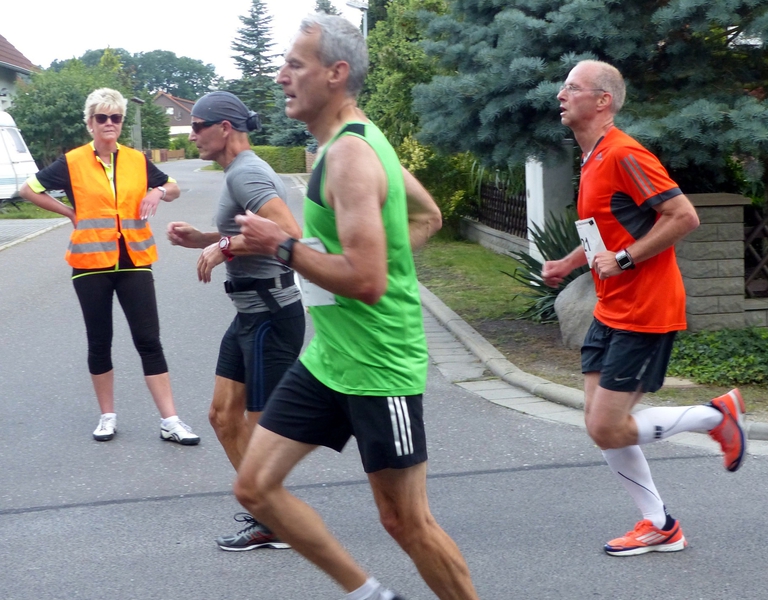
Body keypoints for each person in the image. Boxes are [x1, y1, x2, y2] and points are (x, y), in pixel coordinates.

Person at [231, 13, 479, 600]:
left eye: (295, 65)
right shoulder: (347, 143)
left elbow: (365, 282)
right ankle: (371, 595)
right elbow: (426, 216)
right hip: (329, 359)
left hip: (379, 364)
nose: (281, 76)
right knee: (255, 488)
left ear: (335, 73)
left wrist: (283, 247)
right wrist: (374, 258)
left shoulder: (350, 155)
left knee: (406, 521)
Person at [541, 60, 747, 556]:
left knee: (606, 426)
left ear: (603, 100)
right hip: (611, 308)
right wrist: (570, 262)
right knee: (600, 426)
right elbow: (603, 233)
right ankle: (659, 524)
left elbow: (684, 216)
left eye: (572, 87)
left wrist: (626, 259)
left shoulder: (625, 153)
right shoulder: (592, 159)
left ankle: (714, 417)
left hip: (646, 309)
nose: (561, 95)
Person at [18, 88, 199, 445]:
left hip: (134, 260)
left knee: (149, 340)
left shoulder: (136, 160)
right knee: (100, 341)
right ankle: (107, 416)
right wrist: (68, 212)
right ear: (90, 123)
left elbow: (174, 186)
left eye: (115, 117)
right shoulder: (72, 162)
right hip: (90, 264)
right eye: (102, 117)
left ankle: (171, 421)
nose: (109, 123)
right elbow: (28, 190)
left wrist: (158, 192)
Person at [166, 91, 305, 551]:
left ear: (224, 128)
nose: (192, 135)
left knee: (263, 430)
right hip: (249, 314)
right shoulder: (236, 173)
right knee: (223, 416)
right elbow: (244, 233)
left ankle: (277, 520)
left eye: (197, 126)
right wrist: (204, 239)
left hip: (270, 314)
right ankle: (268, 512)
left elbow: (289, 233)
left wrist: (222, 247)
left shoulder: (247, 172)